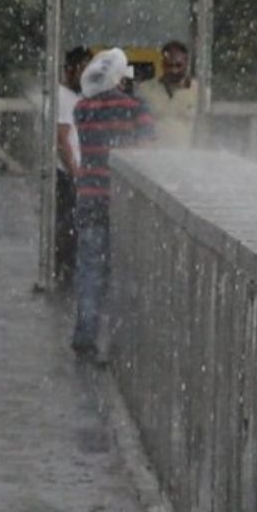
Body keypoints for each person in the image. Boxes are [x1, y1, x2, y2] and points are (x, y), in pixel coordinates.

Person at [72, 48, 154, 360]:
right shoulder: (134, 107)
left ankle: (85, 332)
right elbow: (147, 146)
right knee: (124, 268)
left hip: (89, 197)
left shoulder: (82, 108)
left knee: (91, 267)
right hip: (122, 199)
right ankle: (118, 341)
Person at [55, 47, 91, 287]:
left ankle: (69, 268)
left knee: (74, 221)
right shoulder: (64, 97)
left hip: (79, 169)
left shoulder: (79, 97)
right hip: (71, 172)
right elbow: (62, 137)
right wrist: (75, 169)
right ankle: (66, 269)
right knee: (70, 222)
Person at [135, 40, 198, 149]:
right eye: (169, 65)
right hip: (152, 158)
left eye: (178, 65)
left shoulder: (199, 92)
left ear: (187, 64)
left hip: (188, 158)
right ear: (162, 64)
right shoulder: (144, 89)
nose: (174, 70)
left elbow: (207, 128)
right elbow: (136, 124)